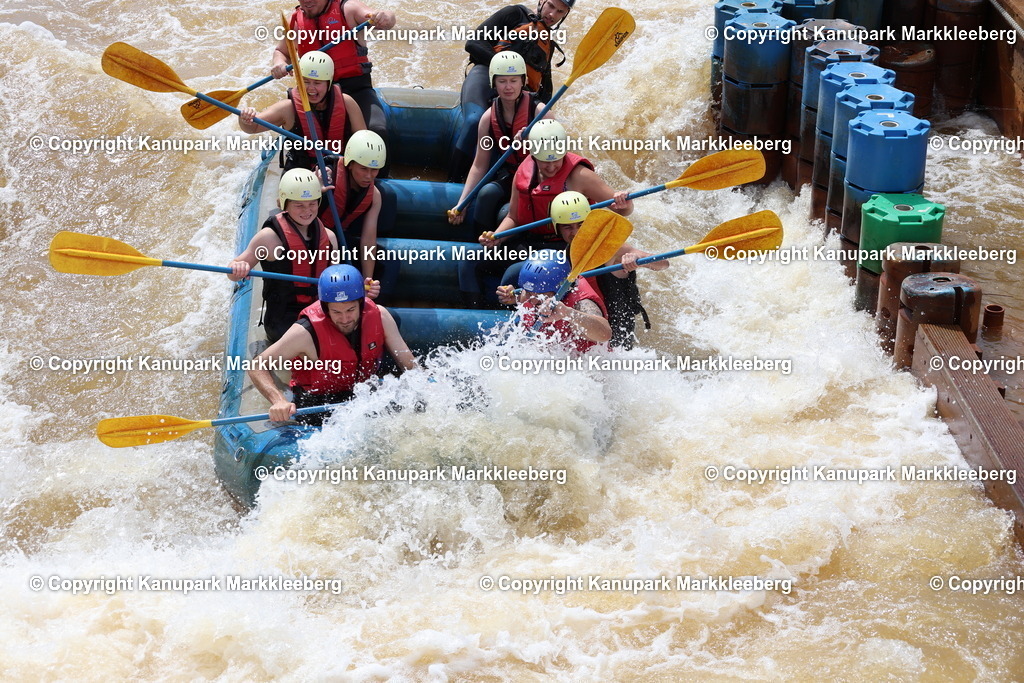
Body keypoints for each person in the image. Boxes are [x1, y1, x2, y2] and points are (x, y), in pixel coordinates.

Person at [461, 119, 631, 306]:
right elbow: (514, 217)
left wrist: (624, 201)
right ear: (533, 155)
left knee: (514, 274)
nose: (551, 167)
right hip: (533, 242)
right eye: (544, 162)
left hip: (567, 246)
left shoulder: (580, 176)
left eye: (556, 160)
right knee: (469, 261)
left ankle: (520, 320)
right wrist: (498, 236)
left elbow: (623, 210)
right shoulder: (523, 172)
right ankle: (475, 312)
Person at [249, 264, 417, 426]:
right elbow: (256, 366)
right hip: (319, 404)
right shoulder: (305, 332)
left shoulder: (380, 316)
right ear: (325, 308)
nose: (344, 320)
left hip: (363, 394)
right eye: (336, 312)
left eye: (350, 310)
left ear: (361, 303)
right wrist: (278, 400)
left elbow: (410, 366)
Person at [227, 168, 378, 344]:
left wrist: (362, 289)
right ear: (284, 204)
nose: (307, 210)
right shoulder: (268, 239)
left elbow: (334, 283)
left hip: (320, 311)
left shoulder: (329, 238)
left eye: (312, 204)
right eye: (299, 205)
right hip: (284, 319)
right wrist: (239, 267)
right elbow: (232, 272)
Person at [500, 192, 668, 348]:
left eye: (581, 225)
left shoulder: (610, 248)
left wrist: (636, 260)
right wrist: (516, 295)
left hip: (615, 336)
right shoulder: (567, 253)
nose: (576, 232)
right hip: (581, 327)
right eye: (568, 227)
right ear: (557, 228)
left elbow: (663, 263)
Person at [453, 0, 571, 179]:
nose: (552, 15)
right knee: (474, 120)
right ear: (541, 2)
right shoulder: (514, 14)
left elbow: (545, 90)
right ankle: (453, 180)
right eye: (551, 6)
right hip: (486, 75)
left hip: (517, 96)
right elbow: (474, 42)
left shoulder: (547, 44)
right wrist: (504, 68)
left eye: (560, 12)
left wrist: (544, 122)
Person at [271, 0, 395, 169]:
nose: (306, 1)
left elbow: (386, 19)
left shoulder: (348, 9)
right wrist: (279, 63)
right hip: (315, 95)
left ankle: (374, 186)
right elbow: (281, 51)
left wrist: (385, 17)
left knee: (376, 130)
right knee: (302, 145)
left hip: (355, 90)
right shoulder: (296, 22)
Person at [448, 52, 552, 236]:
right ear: (493, 83)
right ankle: (481, 245)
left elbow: (557, 160)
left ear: (523, 81)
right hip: (511, 176)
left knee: (505, 213)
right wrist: (462, 202)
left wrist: (534, 141)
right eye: (502, 81)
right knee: (487, 194)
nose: (508, 87)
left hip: (540, 179)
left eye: (513, 80)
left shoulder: (541, 113)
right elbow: (480, 165)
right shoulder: (488, 119)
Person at [240, 52, 365, 171]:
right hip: (301, 175)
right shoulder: (287, 109)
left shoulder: (347, 102)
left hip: (338, 168)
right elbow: (253, 128)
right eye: (305, 81)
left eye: (317, 82)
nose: (311, 88)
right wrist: (245, 118)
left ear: (329, 82)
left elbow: (363, 140)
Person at [507, 250, 610, 353]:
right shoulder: (530, 295)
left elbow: (605, 334)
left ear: (559, 289)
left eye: (539, 296)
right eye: (528, 293)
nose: (532, 301)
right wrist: (515, 298)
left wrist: (568, 313)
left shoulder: (581, 303)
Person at [317, 130, 385, 280]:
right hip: (314, 240)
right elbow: (283, 204)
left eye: (374, 170)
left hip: (341, 239)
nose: (369, 176)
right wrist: (316, 189)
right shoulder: (325, 176)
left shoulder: (375, 196)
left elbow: (368, 241)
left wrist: (368, 279)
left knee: (386, 263)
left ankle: (368, 300)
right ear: (350, 164)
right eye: (363, 169)